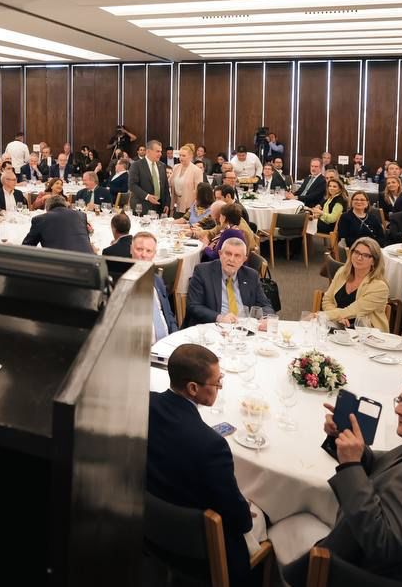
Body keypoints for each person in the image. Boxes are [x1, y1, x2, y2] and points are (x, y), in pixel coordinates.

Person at [284, 376, 402, 586]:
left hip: (362, 577)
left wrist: (350, 465)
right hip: (398, 565)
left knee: (290, 520)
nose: (399, 410)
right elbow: (383, 465)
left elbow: (382, 544)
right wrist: (343, 438)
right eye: (400, 401)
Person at [146, 345, 256, 585]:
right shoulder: (211, 445)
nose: (219, 387)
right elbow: (240, 521)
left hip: (148, 529)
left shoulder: (145, 403)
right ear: (193, 388)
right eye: (217, 383)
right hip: (199, 554)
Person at [185, 238, 272, 326]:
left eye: (237, 256)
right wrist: (219, 318)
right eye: (228, 254)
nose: (231, 259)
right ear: (220, 254)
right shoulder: (203, 271)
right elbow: (193, 305)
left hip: (244, 327)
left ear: (244, 259)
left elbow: (265, 305)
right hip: (214, 327)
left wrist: (266, 318)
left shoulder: (251, 275)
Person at [320, 238, 390, 332]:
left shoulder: (379, 287)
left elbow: (351, 311)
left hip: (367, 334)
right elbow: (327, 300)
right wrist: (338, 319)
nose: (359, 258)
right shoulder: (342, 273)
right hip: (338, 327)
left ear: (374, 261)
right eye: (356, 252)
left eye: (366, 255)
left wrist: (321, 315)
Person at [130, 231, 177, 340]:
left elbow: (168, 315)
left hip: (167, 341)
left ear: (154, 254)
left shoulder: (157, 280)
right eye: (139, 249)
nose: (143, 255)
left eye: (149, 251)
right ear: (131, 250)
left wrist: (175, 337)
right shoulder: (123, 283)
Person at [21, 195, 92, 254]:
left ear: (47, 208)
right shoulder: (81, 215)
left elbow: (26, 247)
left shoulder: (40, 219)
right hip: (88, 261)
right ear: (65, 205)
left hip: (59, 263)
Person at [130, 140, 170, 217]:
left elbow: (165, 187)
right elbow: (132, 185)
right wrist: (147, 196)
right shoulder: (136, 165)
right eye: (157, 151)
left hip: (159, 207)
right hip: (142, 207)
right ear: (148, 151)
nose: (160, 154)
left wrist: (166, 203)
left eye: (160, 151)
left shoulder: (162, 165)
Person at [171, 144, 204, 215]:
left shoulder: (196, 170)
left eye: (183, 156)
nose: (181, 158)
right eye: (180, 155)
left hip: (189, 206)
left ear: (190, 156)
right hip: (176, 203)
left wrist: (194, 208)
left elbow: (199, 191)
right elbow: (171, 183)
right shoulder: (176, 167)